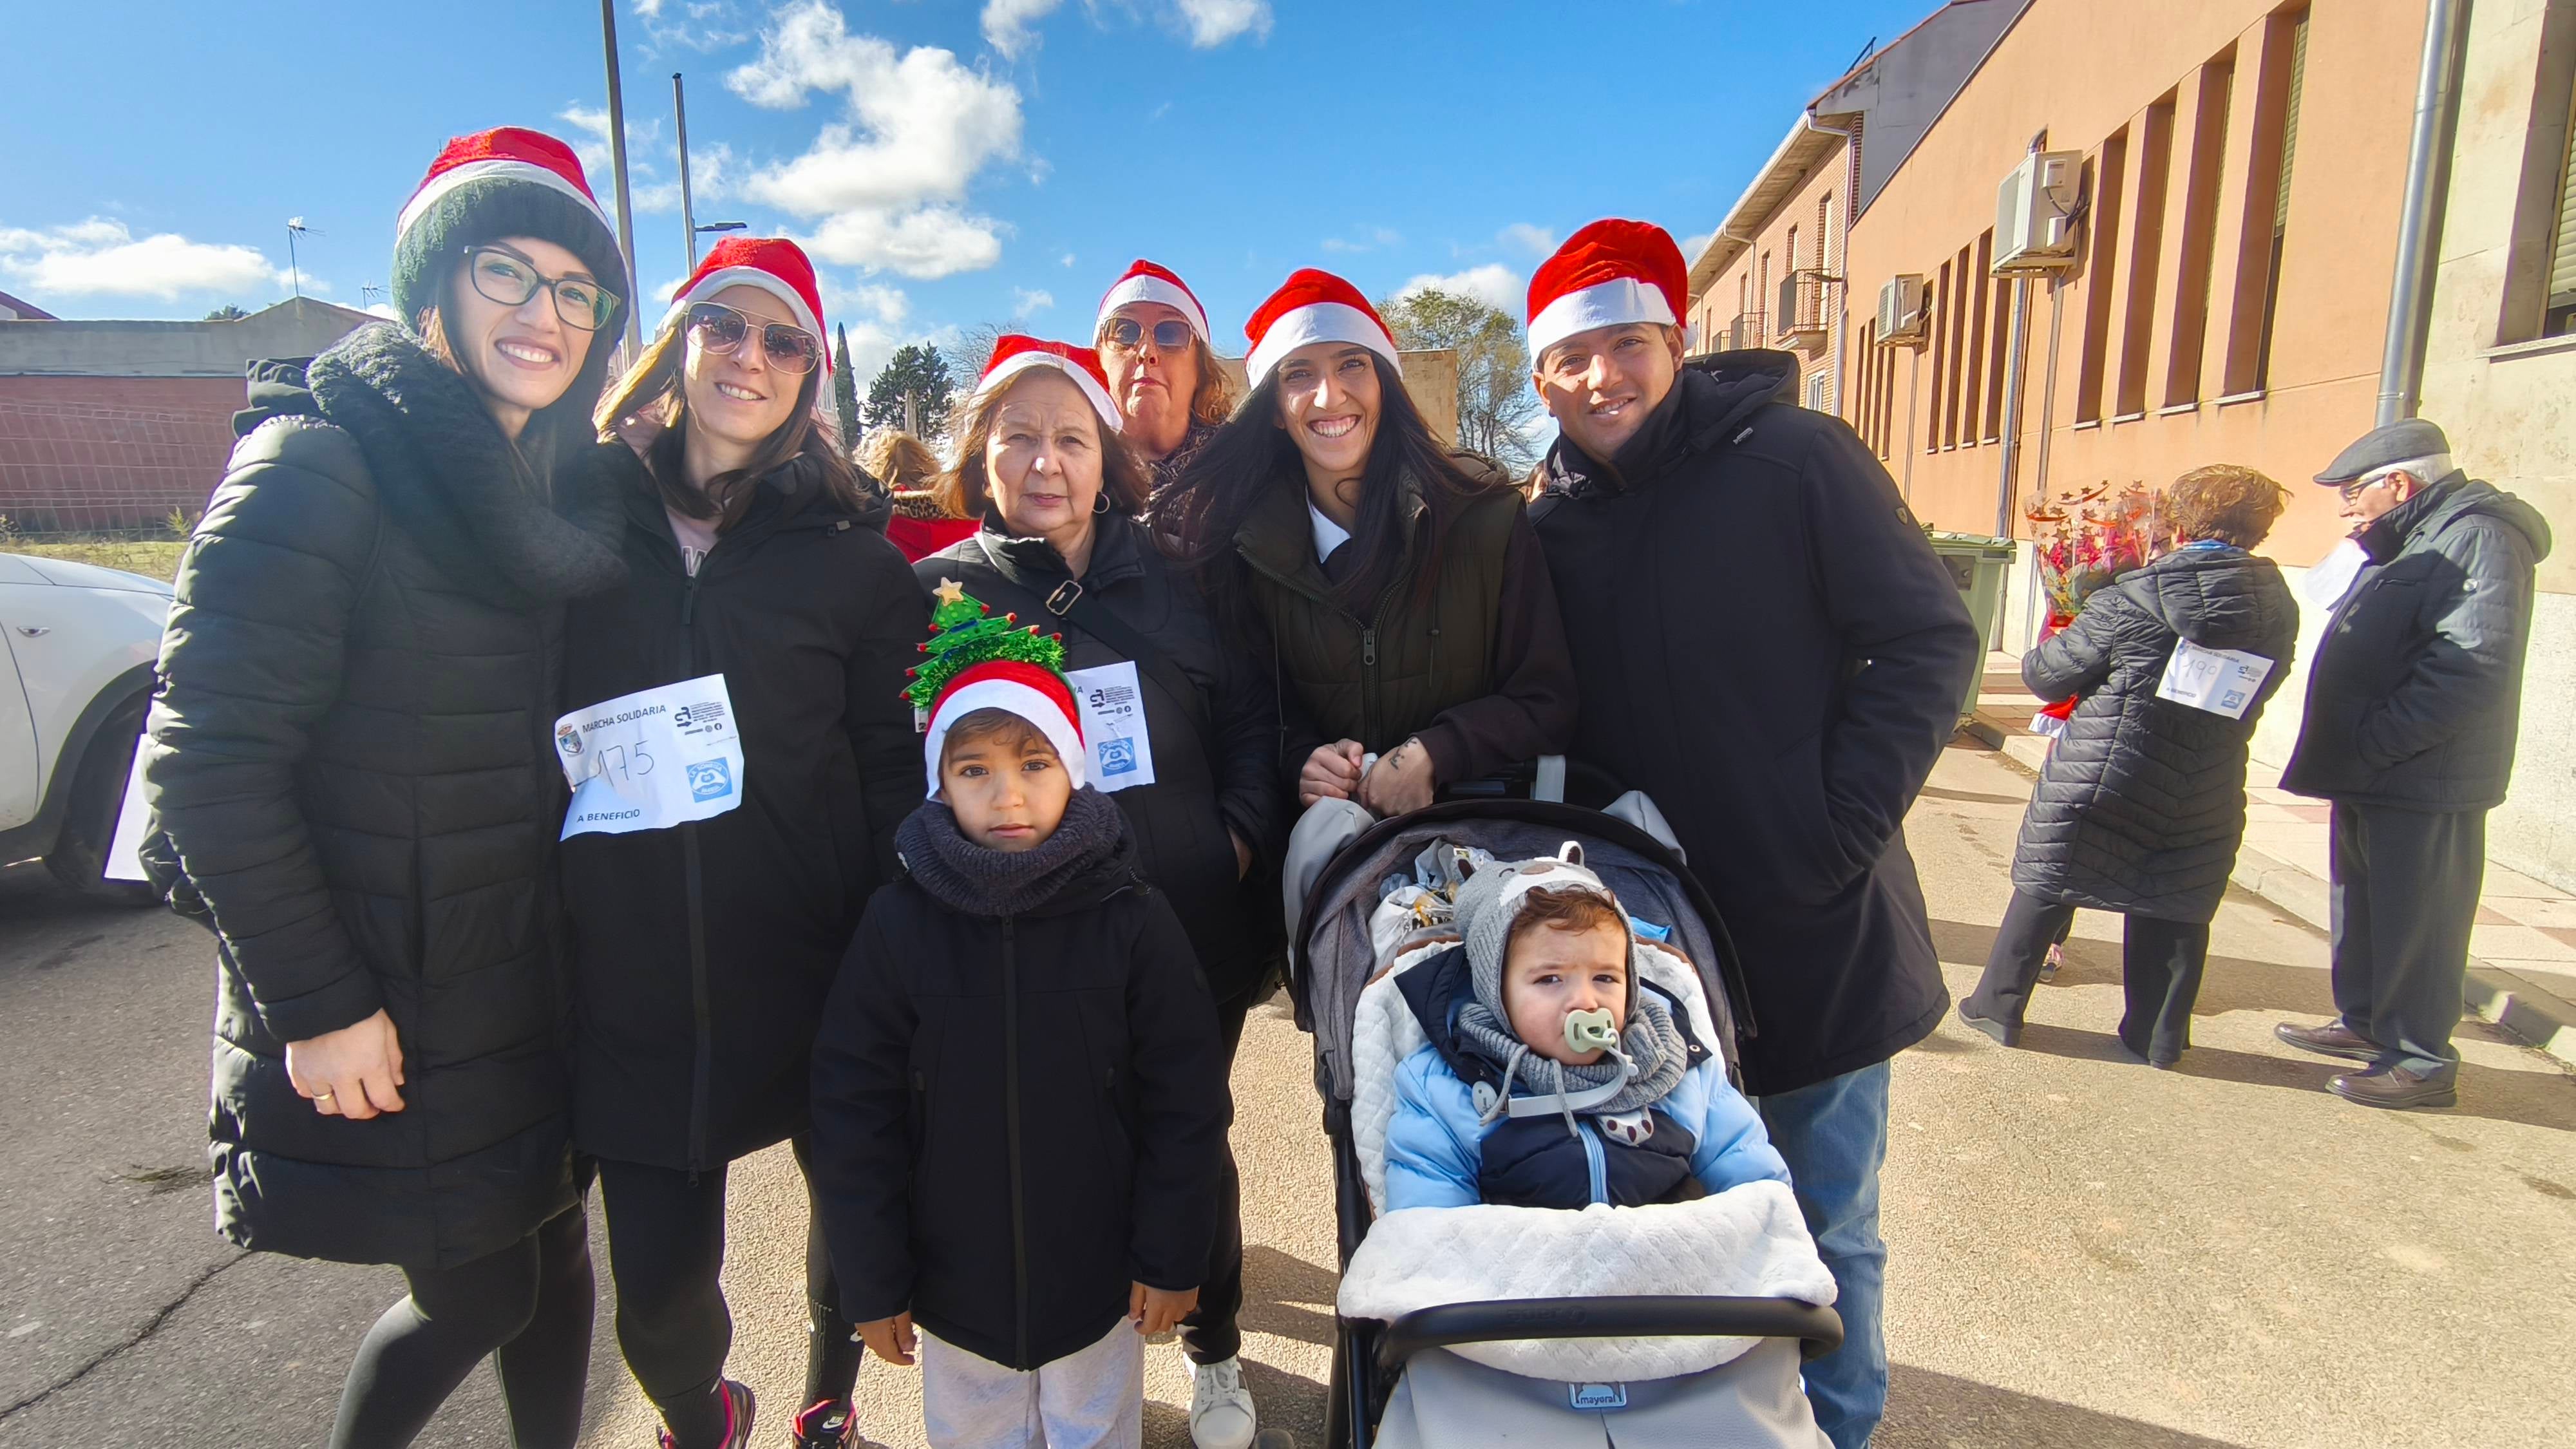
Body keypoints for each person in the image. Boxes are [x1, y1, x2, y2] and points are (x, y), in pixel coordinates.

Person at [139, 127, 631, 1449]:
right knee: (475, 1295)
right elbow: (206, 768)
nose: (545, 314)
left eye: (576, 292)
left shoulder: (540, 495)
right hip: (390, 994)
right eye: (506, 274)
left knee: (550, 1262)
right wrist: (319, 1001)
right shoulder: (319, 464)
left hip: (514, 983)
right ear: (430, 292)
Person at [1523, 219, 1978, 1449]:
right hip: (1656, 942)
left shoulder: (1797, 459)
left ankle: (1835, 1427)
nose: (1601, 377)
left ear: (1676, 343)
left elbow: (1929, 643)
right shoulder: (1552, 524)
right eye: (1572, 357)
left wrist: (1836, 827)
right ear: (1540, 378)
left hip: (1815, 919)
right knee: (1680, 1213)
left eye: (1626, 344)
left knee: (1824, 1217)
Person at [558, 236, 926, 1449]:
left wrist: (896, 930)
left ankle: (828, 1402)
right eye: (725, 324)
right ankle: (701, 1408)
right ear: (678, 342)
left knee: (857, 1221)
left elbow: (885, 766)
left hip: (811, 957)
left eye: (783, 341)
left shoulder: (856, 564)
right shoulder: (573, 513)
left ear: (810, 377)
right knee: (658, 1296)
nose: (749, 358)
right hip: (629, 976)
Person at [917, 336, 1286, 1447]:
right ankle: (1083, 1362)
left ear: (1104, 457)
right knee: (1067, 1146)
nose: (1046, 460)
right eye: (1019, 436)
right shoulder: (936, 594)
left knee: (1189, 1127)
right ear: (982, 455)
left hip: (1188, 922)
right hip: (1024, 944)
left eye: (1070, 436)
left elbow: (1252, 722)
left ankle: (1215, 1344)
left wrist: (1234, 838)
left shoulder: (1179, 577)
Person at [810, 589, 1229, 1449]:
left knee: (1092, 1431)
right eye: (976, 769)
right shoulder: (898, 924)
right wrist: (872, 1276)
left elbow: (1187, 1100)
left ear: (1073, 766)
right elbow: (855, 1109)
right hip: (954, 1286)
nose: (1008, 795)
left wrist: (1174, 1252)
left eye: (1034, 763)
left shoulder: (1132, 916)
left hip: (1101, 1282)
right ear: (942, 780)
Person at [1160, 267, 1576, 815]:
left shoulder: (1487, 514)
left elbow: (1546, 700)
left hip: (1480, 836)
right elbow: (1256, 712)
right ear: (1277, 412)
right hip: (1333, 869)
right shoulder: (1243, 550)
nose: (1329, 396)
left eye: (1352, 364)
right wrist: (1304, 760)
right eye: (1299, 374)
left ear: (1385, 382)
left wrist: (1437, 752)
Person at [1958, 465, 2301, 1066]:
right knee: (2178, 897)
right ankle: (2158, 1035)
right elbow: (2264, 686)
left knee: (2049, 878)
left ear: (2179, 521)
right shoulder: (2278, 605)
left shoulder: (2130, 594)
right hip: (2205, 775)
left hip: (2105, 766)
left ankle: (1999, 1008)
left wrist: (2074, 613)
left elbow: (2047, 675)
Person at [2275, 418, 2553, 1110]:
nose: (2346, 509)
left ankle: (2422, 1060)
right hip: (2376, 770)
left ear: (2397, 483)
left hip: (2422, 774)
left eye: (2352, 494)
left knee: (2419, 920)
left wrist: (2375, 744)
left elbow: (2470, 668)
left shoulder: (2479, 536)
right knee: (2366, 909)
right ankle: (2367, 1023)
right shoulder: (2416, 534)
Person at [1384, 850, 1790, 1212]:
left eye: (1605, 979)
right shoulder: (1443, 1089)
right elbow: (1431, 1228)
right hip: (1517, 1287)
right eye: (1550, 980)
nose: (1586, 1002)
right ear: (1496, 993)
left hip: (1671, 1285)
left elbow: (1753, 1179)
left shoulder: (1681, 1069)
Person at [1094, 259, 1234, 493]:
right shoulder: (1057, 475)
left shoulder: (1248, 476)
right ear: (1097, 362)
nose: (1146, 351)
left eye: (1170, 333)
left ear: (1201, 370)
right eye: (1124, 332)